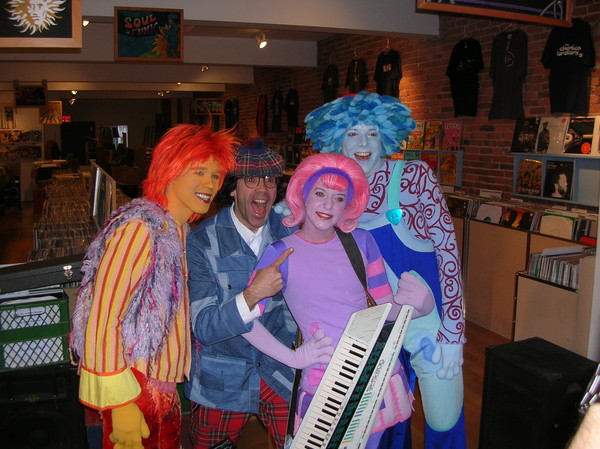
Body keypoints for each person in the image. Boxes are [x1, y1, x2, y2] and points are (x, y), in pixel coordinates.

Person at [304, 91, 467, 449]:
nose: (363, 144)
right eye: (352, 134)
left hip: (430, 325)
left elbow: (448, 254)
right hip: (371, 328)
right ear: (336, 140)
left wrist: (454, 331)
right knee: (385, 426)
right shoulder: (329, 191)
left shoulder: (414, 176)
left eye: (373, 133)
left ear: (386, 138)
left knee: (444, 418)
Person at [245, 152, 435, 449]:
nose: (328, 205)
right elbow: (244, 318)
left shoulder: (362, 241)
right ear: (302, 194)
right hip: (326, 384)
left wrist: (420, 308)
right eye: (320, 193)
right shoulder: (280, 253)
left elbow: (385, 311)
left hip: (375, 374)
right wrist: (293, 357)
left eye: (338, 197)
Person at [69, 124, 238, 449]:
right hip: (134, 387)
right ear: (170, 170)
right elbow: (102, 318)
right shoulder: (139, 230)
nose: (209, 184)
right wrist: (120, 406)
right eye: (199, 171)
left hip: (161, 386)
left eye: (215, 176)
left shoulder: (175, 229)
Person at [185, 137, 333, 449]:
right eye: (250, 180)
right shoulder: (201, 243)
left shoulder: (294, 233)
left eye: (270, 180)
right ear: (233, 189)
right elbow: (203, 327)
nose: (262, 190)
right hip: (221, 379)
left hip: (281, 373)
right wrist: (252, 294)